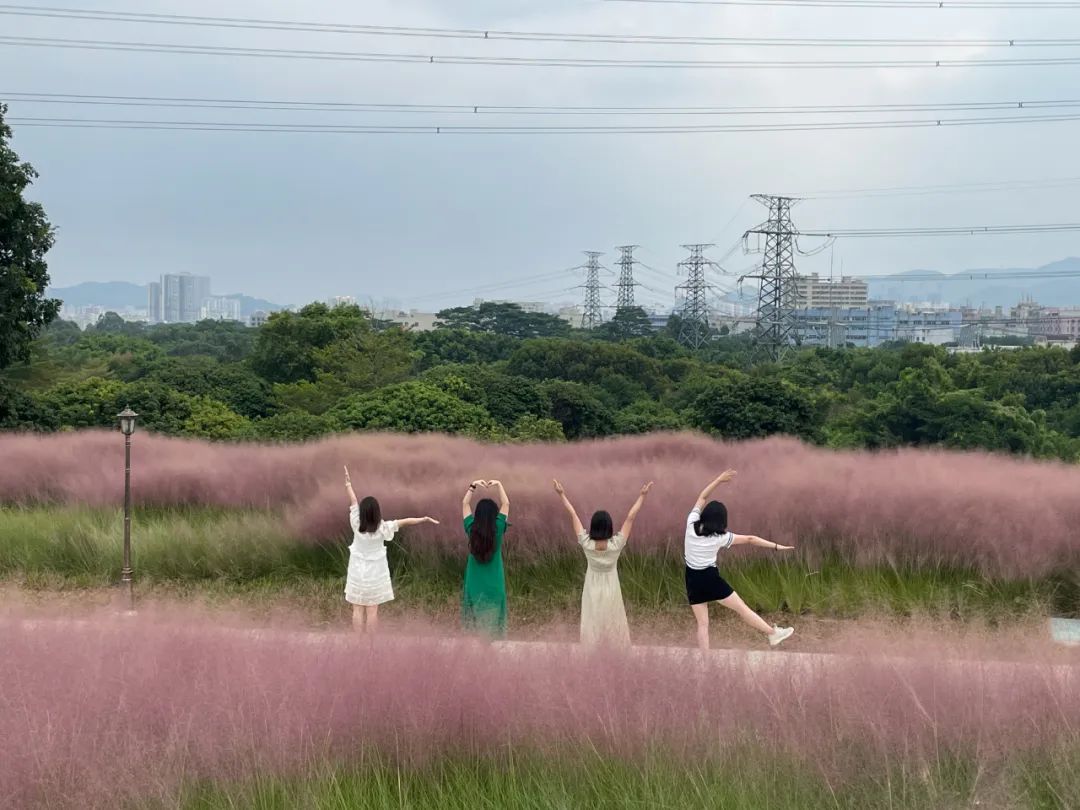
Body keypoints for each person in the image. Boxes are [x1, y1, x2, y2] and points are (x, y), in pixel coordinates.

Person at [684, 469, 795, 650]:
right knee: (742, 609)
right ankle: (773, 634)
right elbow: (751, 539)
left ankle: (705, 663)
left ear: (705, 515)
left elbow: (702, 497)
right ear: (721, 521)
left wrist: (719, 479)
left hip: (691, 578)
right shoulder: (720, 538)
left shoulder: (691, 523)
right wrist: (776, 546)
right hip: (710, 579)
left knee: (703, 624)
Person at [553, 479, 653, 647]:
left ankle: (592, 651)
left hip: (592, 586)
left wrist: (561, 494)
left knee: (592, 620)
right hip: (611, 586)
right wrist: (642, 496)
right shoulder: (616, 546)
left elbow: (573, 515)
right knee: (613, 620)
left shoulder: (587, 544)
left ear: (593, 527)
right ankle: (614, 652)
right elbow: (630, 518)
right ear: (609, 527)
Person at [344, 465, 438, 633]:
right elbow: (405, 521)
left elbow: (353, 502)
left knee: (357, 609)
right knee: (373, 611)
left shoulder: (356, 523)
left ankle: (357, 644)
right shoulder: (383, 528)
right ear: (377, 512)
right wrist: (423, 519)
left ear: (363, 513)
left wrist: (348, 484)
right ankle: (370, 646)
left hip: (357, 571)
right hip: (375, 573)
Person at [461, 479, 510, 639]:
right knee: (495, 620)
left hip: (474, 580)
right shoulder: (498, 528)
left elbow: (465, 504)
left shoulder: (471, 529)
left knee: (472, 617)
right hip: (494, 580)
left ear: (478, 514)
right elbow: (506, 503)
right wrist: (499, 484)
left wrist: (473, 486)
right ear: (494, 514)